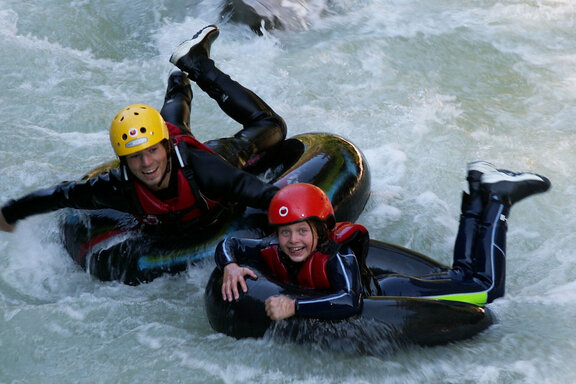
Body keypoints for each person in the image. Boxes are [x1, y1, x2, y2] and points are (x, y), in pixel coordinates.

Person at [0, 25, 286, 234]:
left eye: (151, 152)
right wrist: (11, 213)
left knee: (272, 126)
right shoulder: (117, 186)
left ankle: (197, 66)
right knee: (173, 119)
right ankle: (180, 76)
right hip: (166, 137)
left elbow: (267, 197)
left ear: (166, 147)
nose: (146, 163)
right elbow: (63, 194)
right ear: (124, 161)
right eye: (135, 156)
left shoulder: (208, 170)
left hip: (212, 156)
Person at [214, 162, 551, 321]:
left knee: (487, 290)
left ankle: (498, 200)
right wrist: (229, 265)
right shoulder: (273, 249)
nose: (293, 241)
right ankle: (480, 189)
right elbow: (231, 244)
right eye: (285, 232)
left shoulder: (336, 259)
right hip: (391, 285)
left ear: (321, 230)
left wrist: (294, 306)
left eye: (303, 231)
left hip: (398, 294)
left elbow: (348, 301)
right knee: (463, 274)